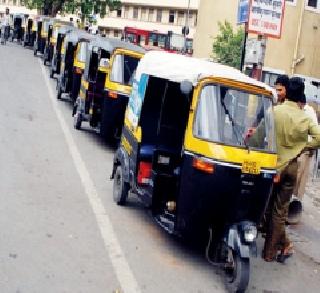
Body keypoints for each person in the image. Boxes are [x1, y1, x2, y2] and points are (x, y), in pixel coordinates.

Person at [263, 77, 320, 262]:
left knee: (268, 207)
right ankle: (271, 252)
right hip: (292, 167)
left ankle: (280, 247)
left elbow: (259, 136)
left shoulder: (275, 111)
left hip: (275, 165)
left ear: (287, 91)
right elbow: (318, 138)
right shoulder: (305, 117)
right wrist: (303, 146)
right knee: (279, 211)